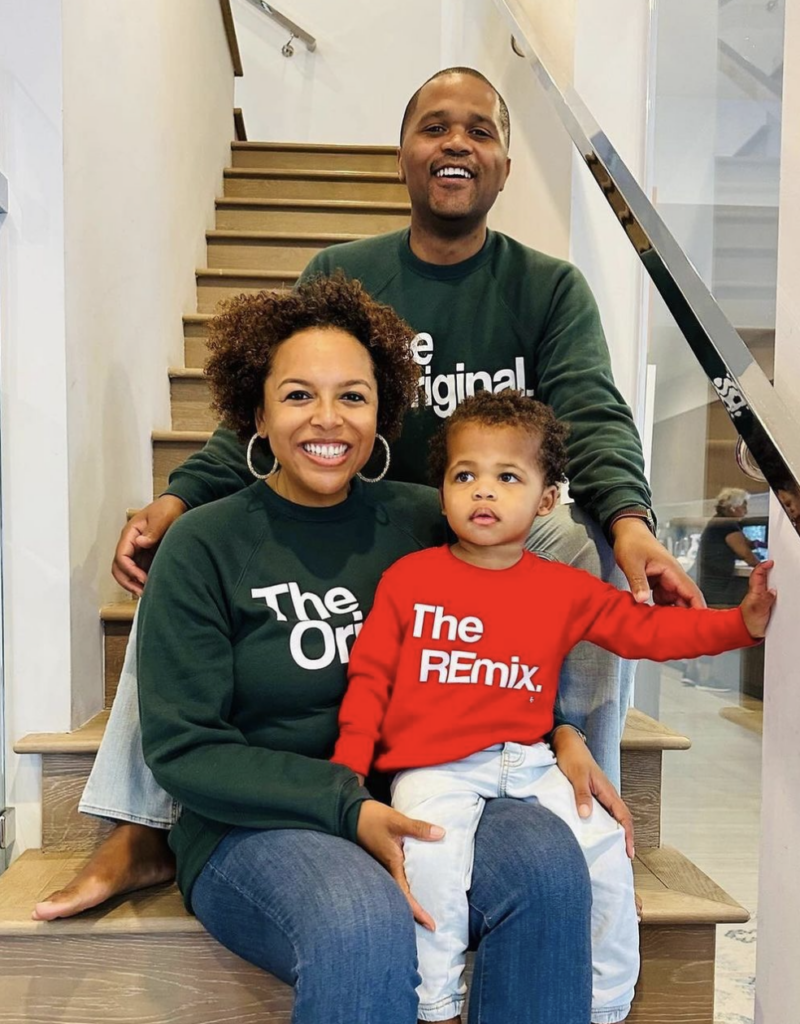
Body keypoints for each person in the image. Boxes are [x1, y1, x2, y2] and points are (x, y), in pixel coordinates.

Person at [37, 277, 628, 1024]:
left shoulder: (430, 520)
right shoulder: (204, 543)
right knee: (360, 918)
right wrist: (348, 807)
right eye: (298, 396)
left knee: (550, 865)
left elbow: (511, 632)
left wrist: (561, 730)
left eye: (353, 396)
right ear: (257, 413)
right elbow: (186, 750)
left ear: (383, 412)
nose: (328, 418)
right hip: (254, 825)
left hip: (430, 787)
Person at [111, 66, 702, 794]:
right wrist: (180, 497)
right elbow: (281, 404)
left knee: (586, 542)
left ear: (505, 167)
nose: (456, 143)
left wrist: (632, 523)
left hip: (483, 529)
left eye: (479, 131)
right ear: (402, 158)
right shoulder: (343, 273)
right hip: (371, 516)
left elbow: (590, 412)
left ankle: (578, 777)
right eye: (435, 127)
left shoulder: (548, 287)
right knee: (188, 543)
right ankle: (138, 813)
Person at [330, 391, 774, 1024]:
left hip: (529, 761)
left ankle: (606, 1002)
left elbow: (647, 632)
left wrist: (741, 626)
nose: (484, 491)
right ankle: (434, 1002)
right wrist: (349, 772)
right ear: (443, 492)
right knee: (429, 857)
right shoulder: (409, 578)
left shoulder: (563, 588)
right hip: (433, 769)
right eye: (465, 476)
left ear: (546, 500)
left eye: (508, 477)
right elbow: (369, 679)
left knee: (605, 850)